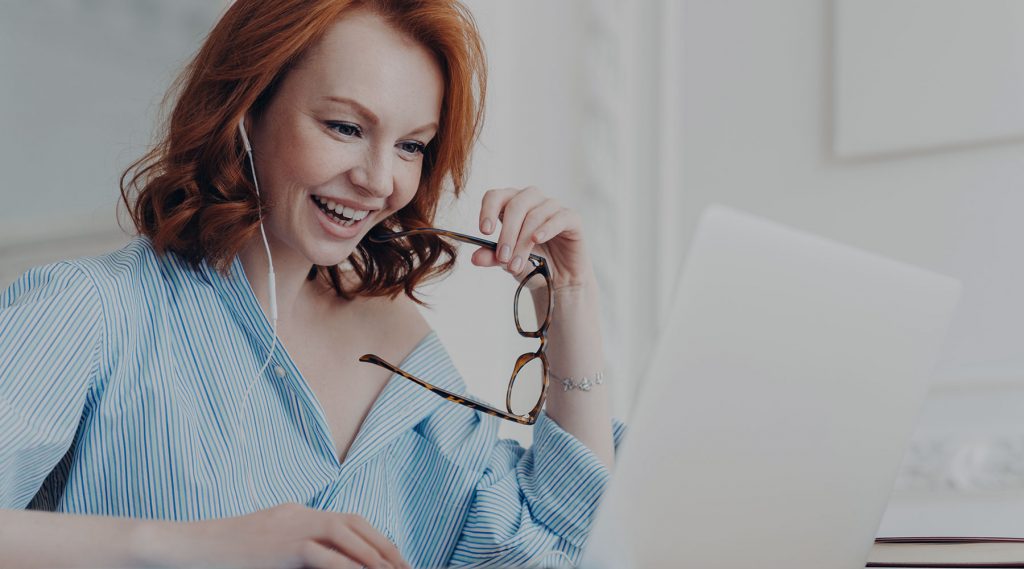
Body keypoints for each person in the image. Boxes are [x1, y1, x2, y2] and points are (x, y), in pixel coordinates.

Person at [0, 1, 623, 567]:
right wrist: (196, 547)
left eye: (411, 146)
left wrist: (570, 296)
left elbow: (565, 545)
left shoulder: (407, 361)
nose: (380, 180)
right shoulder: (91, 311)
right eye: (345, 128)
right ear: (247, 108)